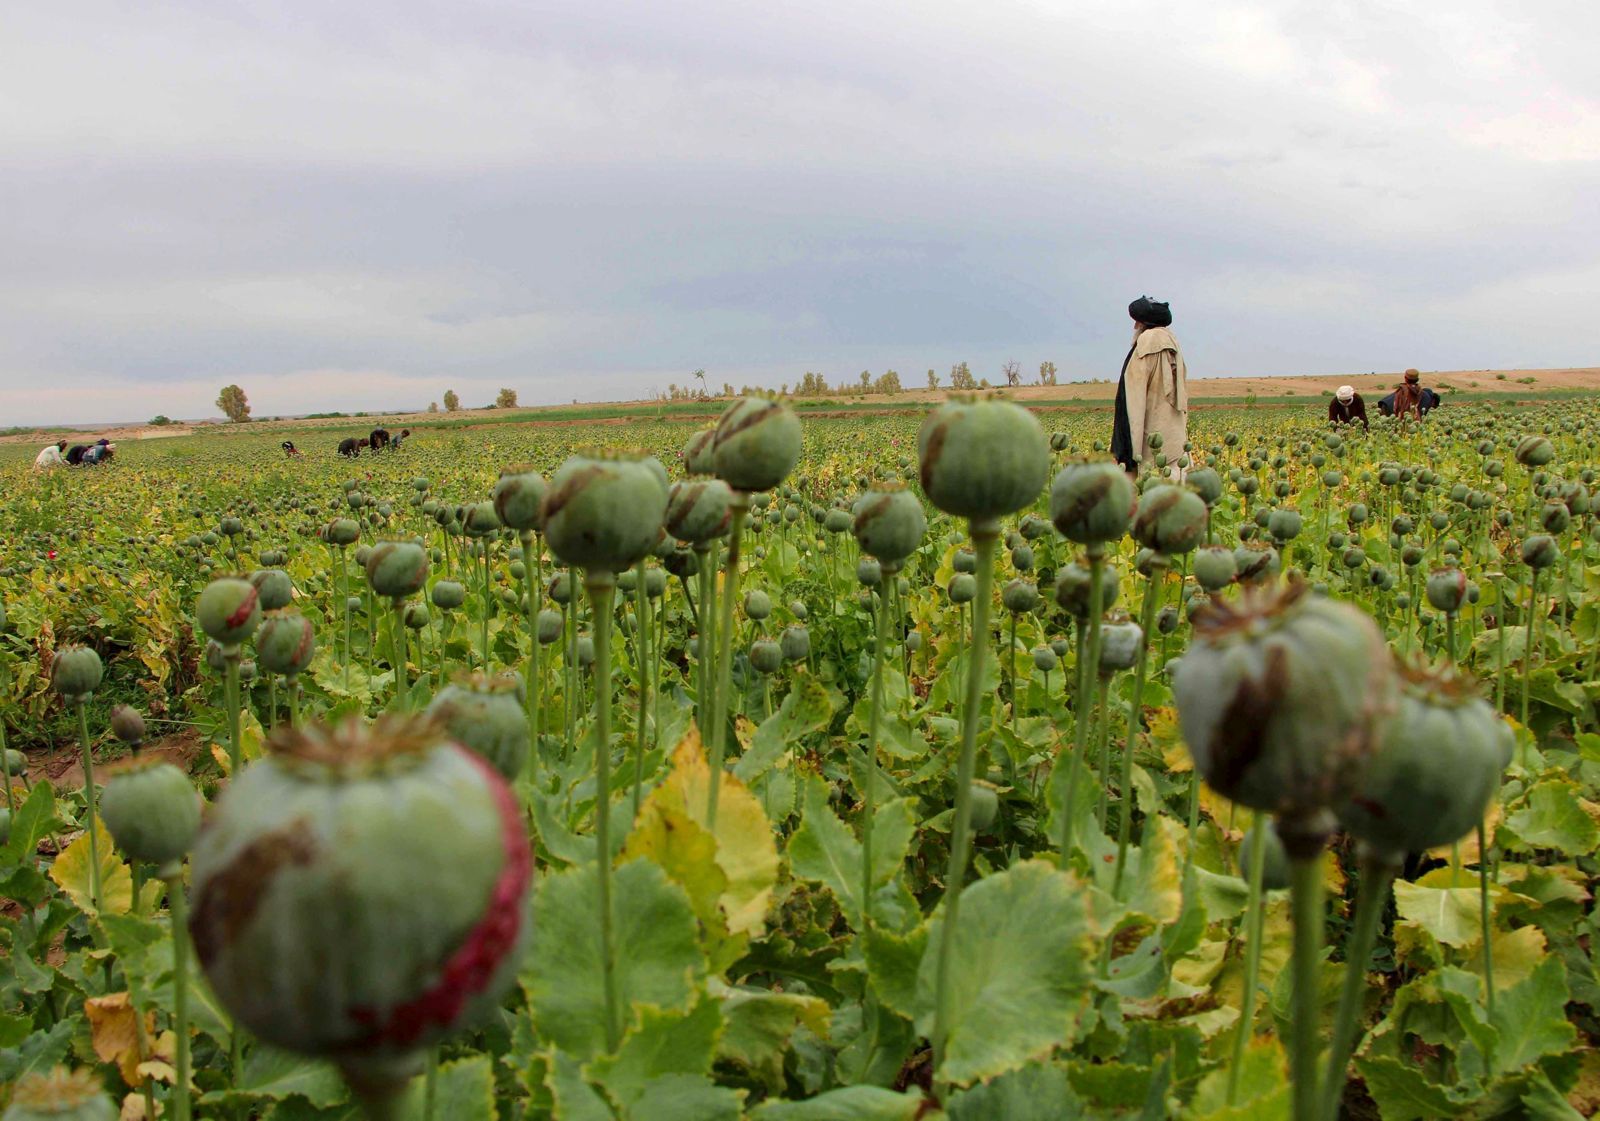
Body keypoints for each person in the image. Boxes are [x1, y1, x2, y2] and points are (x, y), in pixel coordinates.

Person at [1110, 295, 1188, 477]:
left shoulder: (1146, 344)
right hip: (1173, 436)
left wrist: (1127, 452)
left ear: (1142, 324)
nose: (1134, 327)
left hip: (1150, 438)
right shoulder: (1172, 341)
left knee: (1150, 481)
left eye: (1136, 322)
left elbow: (1132, 401)